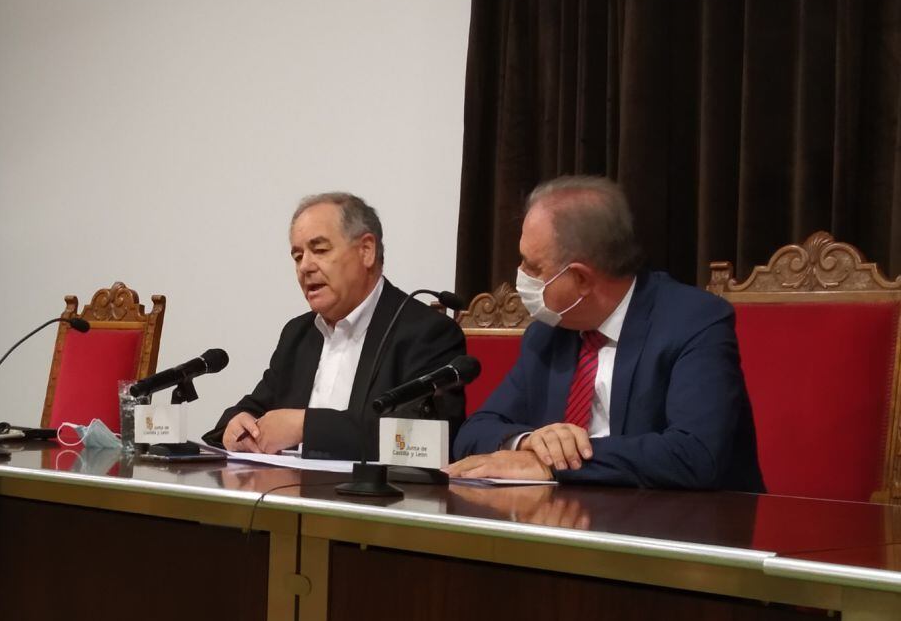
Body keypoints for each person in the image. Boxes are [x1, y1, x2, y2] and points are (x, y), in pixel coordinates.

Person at [447, 176, 764, 491]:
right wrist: (528, 442)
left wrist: (557, 463)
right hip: (566, 524)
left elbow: (695, 455)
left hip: (682, 527)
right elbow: (474, 431)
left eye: (533, 267)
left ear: (581, 279)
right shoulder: (546, 335)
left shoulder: (692, 321)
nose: (521, 276)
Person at [204, 192, 466, 460]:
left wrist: (305, 427)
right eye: (297, 256)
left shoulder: (426, 332)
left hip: (373, 500)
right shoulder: (298, 334)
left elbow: (424, 439)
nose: (305, 266)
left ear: (366, 250)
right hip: (285, 493)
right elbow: (254, 407)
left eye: (319, 250)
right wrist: (235, 424)